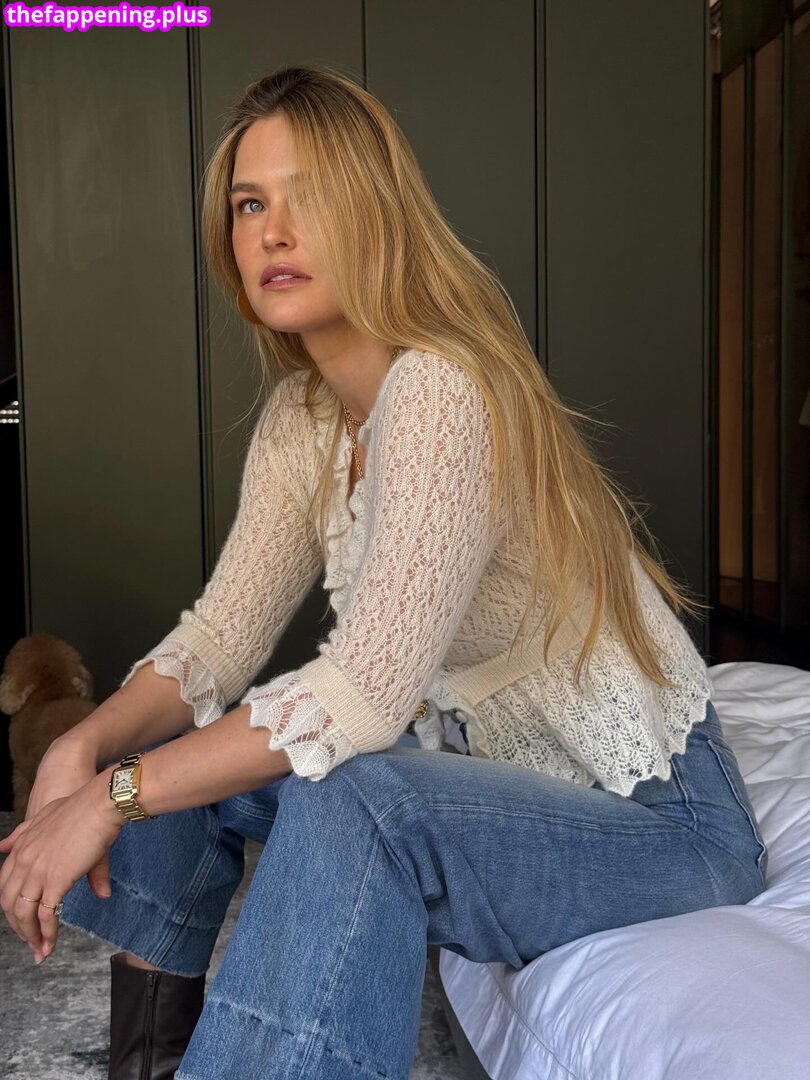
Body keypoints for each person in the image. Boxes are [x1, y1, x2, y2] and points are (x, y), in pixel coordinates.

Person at [0, 63, 768, 1080]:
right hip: (502, 785)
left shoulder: (443, 389)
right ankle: (149, 1059)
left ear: (376, 211)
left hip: (663, 827)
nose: (273, 232)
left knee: (346, 794)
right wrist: (87, 748)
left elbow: (364, 693)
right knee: (172, 762)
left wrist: (112, 796)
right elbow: (219, 640)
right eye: (249, 204)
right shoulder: (304, 418)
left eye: (310, 196)